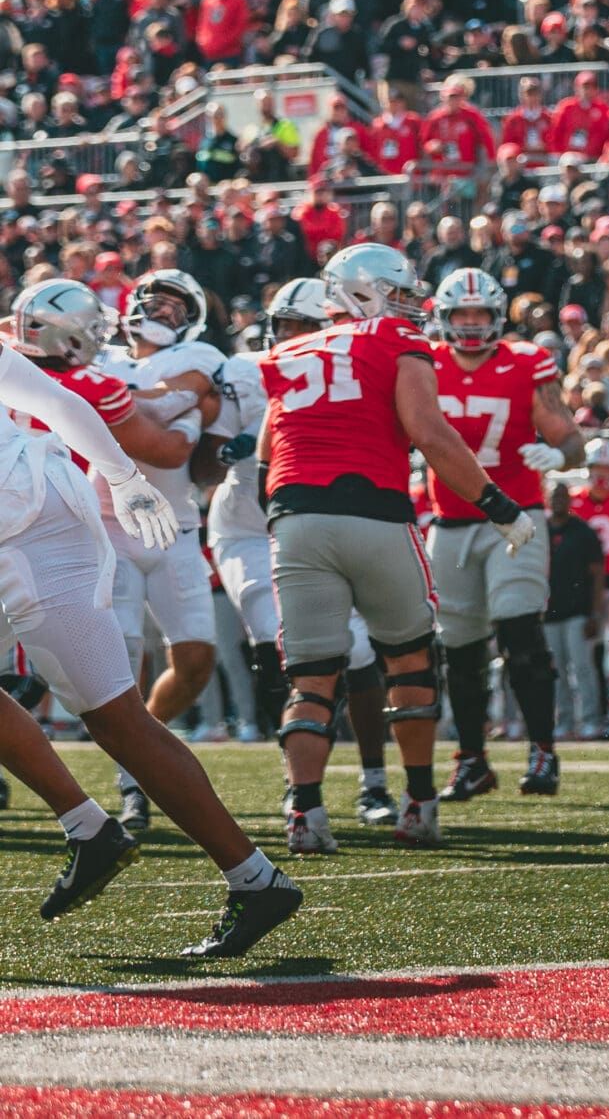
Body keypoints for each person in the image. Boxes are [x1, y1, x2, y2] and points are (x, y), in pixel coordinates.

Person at [0, 325, 299, 956]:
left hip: (32, 526)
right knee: (114, 718)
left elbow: (52, 400)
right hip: (24, 516)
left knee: (117, 720)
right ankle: (90, 829)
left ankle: (255, 879)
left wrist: (123, 476)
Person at [259, 244, 538, 854]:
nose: (414, 305)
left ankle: (304, 812)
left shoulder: (285, 351)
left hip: (295, 515)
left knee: (310, 680)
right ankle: (418, 803)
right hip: (374, 512)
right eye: (403, 293)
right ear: (364, 293)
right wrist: (497, 505)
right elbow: (430, 432)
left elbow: (265, 455)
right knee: (409, 661)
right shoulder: (392, 338)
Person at [208, 280, 394, 829]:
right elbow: (204, 439)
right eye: (282, 327)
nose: (288, 338)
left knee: (358, 653)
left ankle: (374, 779)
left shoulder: (358, 371)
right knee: (273, 648)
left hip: (318, 518)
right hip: (247, 524)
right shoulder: (245, 370)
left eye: (301, 328)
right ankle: (300, 786)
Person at [426, 268, 587, 802]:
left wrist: (558, 454)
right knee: (460, 650)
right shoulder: (424, 365)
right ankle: (471, 759)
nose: (471, 326)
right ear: (445, 318)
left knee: (520, 631)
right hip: (449, 521)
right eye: (462, 315)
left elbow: (572, 439)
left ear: (497, 318)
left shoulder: (525, 362)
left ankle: (543, 750)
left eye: (480, 315)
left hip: (515, 519)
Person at [92, 268, 228, 833]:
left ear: (191, 318)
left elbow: (201, 394)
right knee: (122, 655)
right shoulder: (100, 356)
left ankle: (141, 749)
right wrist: (166, 404)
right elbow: (176, 404)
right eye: (156, 301)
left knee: (196, 658)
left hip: (175, 527)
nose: (164, 312)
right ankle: (132, 779)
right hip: (107, 524)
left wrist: (132, 401)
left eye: (177, 306)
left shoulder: (199, 355)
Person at [568, 439, 609, 731]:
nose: (602, 476)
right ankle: (598, 712)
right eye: (597, 469)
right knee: (592, 652)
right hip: (588, 588)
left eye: (608, 469)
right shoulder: (574, 502)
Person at [543, 481, 608, 743]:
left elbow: (598, 575)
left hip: (578, 612)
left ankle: (592, 719)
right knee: (556, 672)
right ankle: (564, 721)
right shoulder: (540, 531)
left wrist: (595, 613)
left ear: (570, 500)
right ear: (547, 499)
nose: (559, 500)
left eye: (562, 495)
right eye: (554, 495)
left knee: (583, 667)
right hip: (549, 613)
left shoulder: (583, 532)